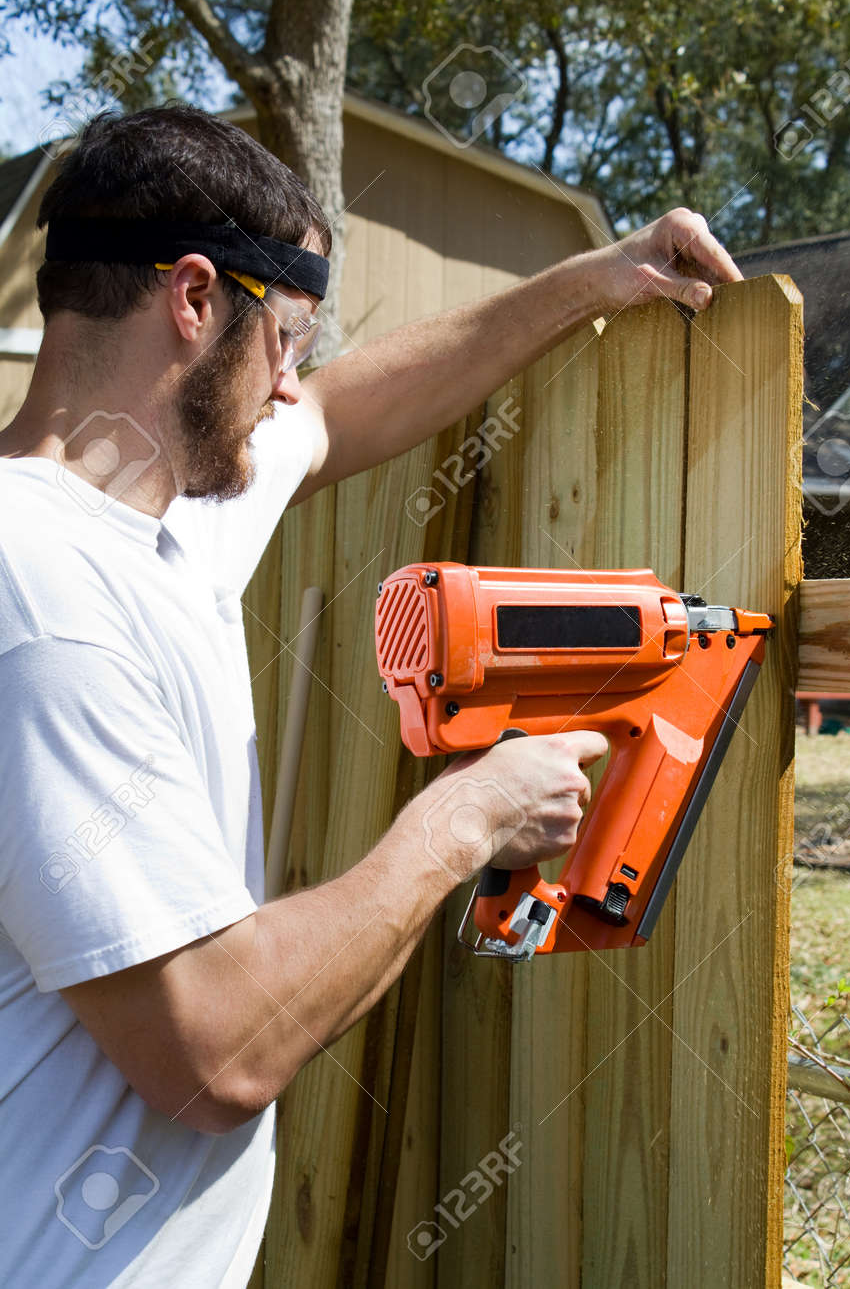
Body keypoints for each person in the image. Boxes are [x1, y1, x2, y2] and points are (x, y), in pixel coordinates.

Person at [0, 104, 743, 1286]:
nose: (290, 388)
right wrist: (467, 818)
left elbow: (344, 411)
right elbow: (215, 1050)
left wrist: (599, 277)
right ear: (194, 300)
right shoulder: (41, 605)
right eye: (284, 339)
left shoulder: (157, 516)